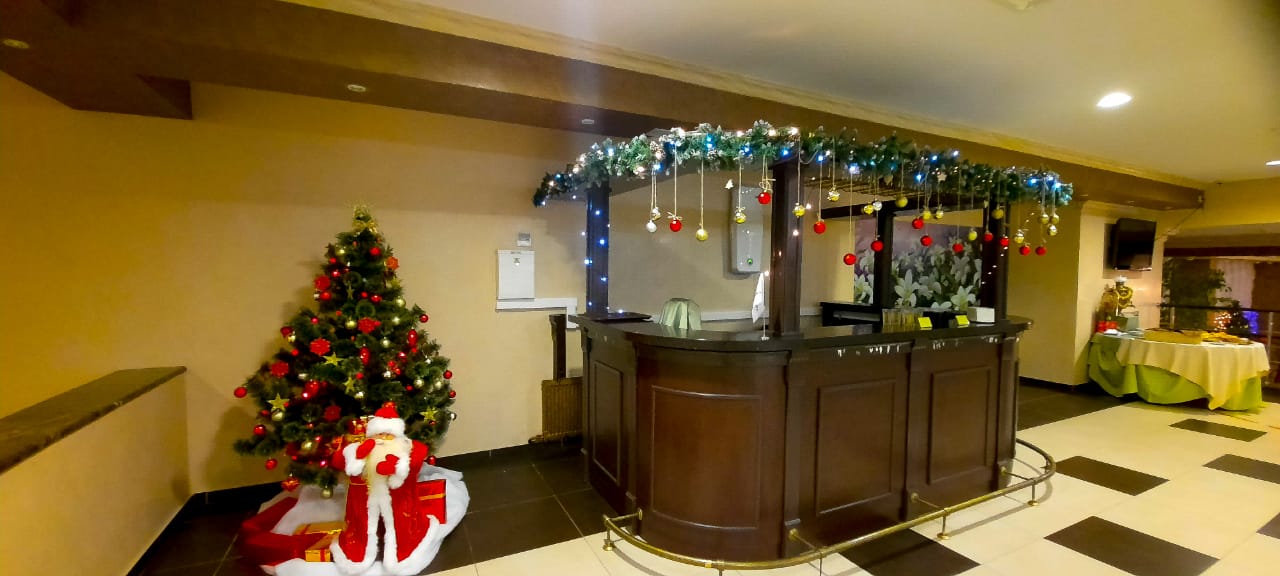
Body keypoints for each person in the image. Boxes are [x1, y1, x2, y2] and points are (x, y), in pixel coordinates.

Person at [330, 403, 439, 576]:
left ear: (397, 435)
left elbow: (417, 458)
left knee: (398, 522)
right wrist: (356, 454)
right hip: (365, 505)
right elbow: (337, 461)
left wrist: (394, 466)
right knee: (365, 523)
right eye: (379, 434)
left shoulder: (408, 448)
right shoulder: (357, 449)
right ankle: (363, 552)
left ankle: (399, 551)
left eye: (388, 435)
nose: (383, 438)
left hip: (398, 506)